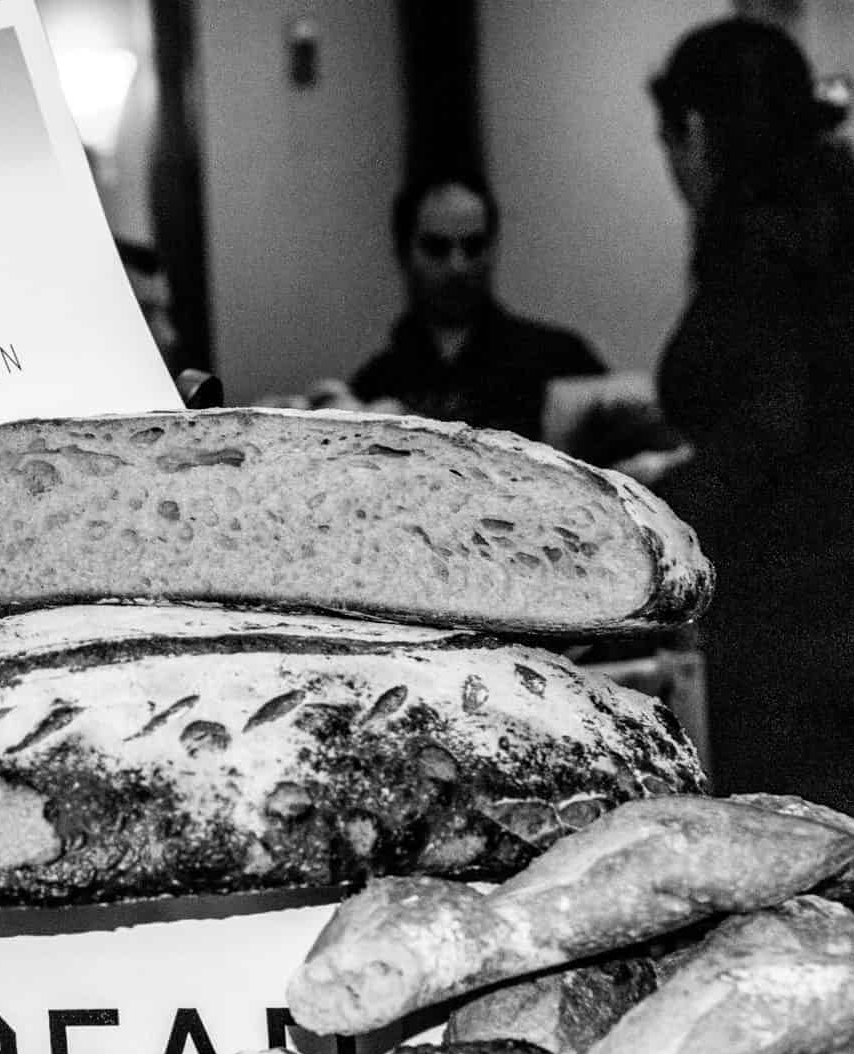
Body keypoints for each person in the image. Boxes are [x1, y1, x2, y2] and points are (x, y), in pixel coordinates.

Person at [646, 17, 854, 808]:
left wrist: (649, 506)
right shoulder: (830, 220)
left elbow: (771, 432)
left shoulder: (760, 246)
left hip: (791, 627)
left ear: (695, 131)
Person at [349, 172, 609, 440]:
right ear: (404, 253)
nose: (458, 266)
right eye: (437, 248)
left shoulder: (561, 358)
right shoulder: (375, 384)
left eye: (473, 247)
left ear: (493, 248)